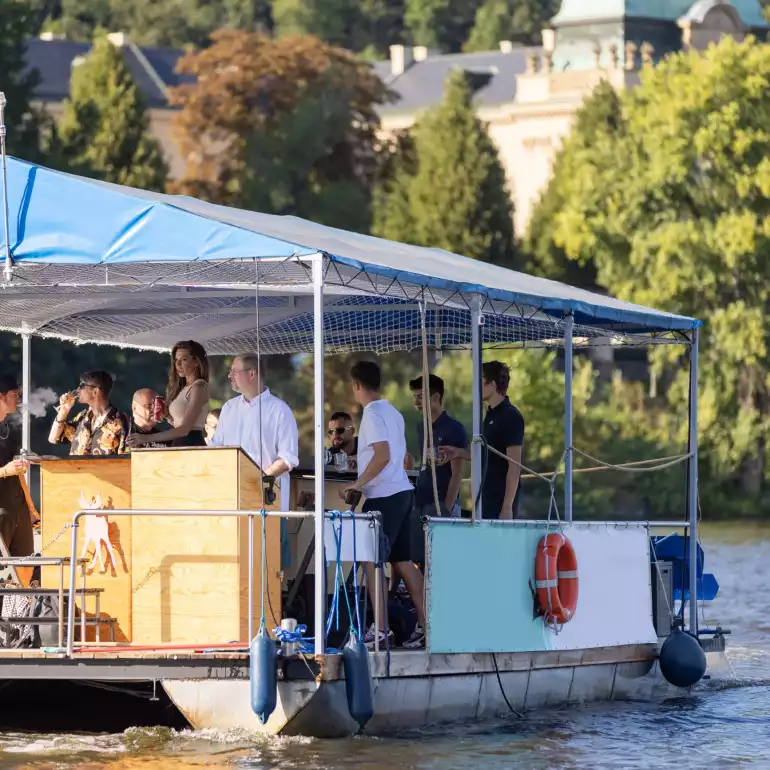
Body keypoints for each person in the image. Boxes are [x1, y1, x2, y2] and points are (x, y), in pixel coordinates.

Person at [340, 361, 426, 649]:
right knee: (402, 562)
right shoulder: (393, 411)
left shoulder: (372, 414)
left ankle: (381, 629)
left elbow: (383, 455)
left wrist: (357, 483)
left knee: (371, 558)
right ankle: (429, 627)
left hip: (383, 497)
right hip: (402, 491)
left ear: (356, 386)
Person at [440, 361, 524, 519]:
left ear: (492, 384)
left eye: (479, 381)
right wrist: (457, 453)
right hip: (485, 497)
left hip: (500, 501)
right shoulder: (490, 415)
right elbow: (486, 453)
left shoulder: (511, 416)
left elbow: (515, 465)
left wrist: (507, 507)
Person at [127, 340, 210, 449]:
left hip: (191, 444)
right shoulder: (185, 387)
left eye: (183, 359)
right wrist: (167, 415)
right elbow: (180, 424)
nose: (178, 364)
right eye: (176, 360)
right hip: (181, 444)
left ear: (196, 361)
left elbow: (184, 429)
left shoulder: (198, 387)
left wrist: (145, 438)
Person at [409, 374, 468, 519]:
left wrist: (446, 508)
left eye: (421, 397)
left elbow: (457, 474)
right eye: (414, 396)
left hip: (443, 505)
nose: (416, 402)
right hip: (421, 503)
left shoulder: (454, 428)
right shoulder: (421, 427)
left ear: (436, 398)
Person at [0, 375, 36, 584]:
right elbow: (8, 469)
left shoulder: (9, 430)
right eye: (15, 394)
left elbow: (18, 474)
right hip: (1, 510)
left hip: (18, 510)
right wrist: (4, 471)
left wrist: (30, 510)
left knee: (25, 568)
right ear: (1, 396)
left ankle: (18, 615)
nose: (19, 399)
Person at [49, 370, 129, 455]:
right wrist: (63, 411)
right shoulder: (82, 417)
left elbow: (128, 456)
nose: (78, 390)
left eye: (82, 386)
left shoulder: (121, 421)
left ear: (95, 391)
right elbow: (54, 438)